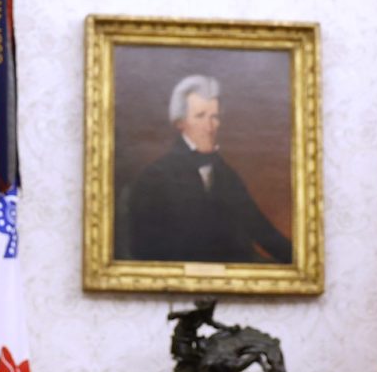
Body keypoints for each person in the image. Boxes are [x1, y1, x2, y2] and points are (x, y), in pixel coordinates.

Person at [124, 74, 292, 264]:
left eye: (214, 117)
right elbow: (143, 250)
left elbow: (261, 229)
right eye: (200, 116)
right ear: (180, 123)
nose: (210, 127)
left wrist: (301, 261)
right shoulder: (153, 178)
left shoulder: (227, 175)